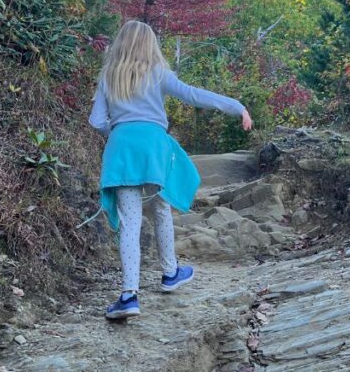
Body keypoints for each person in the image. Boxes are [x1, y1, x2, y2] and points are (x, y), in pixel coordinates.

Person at [89, 20, 253, 319]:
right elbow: (193, 95)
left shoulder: (109, 76)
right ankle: (170, 273)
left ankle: (129, 296)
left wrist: (120, 130)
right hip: (154, 148)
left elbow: (97, 121)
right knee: (161, 210)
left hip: (122, 149)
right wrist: (236, 106)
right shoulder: (158, 73)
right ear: (150, 45)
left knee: (129, 222)